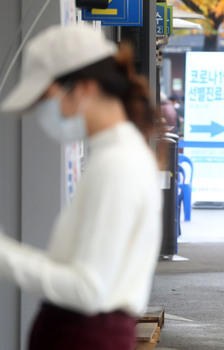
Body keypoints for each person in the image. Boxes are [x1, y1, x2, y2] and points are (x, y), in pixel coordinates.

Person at [0, 26, 162, 349]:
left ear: (83, 88)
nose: (42, 115)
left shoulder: (117, 164)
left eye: (45, 99)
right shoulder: (118, 156)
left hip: (85, 336)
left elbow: (88, 288)